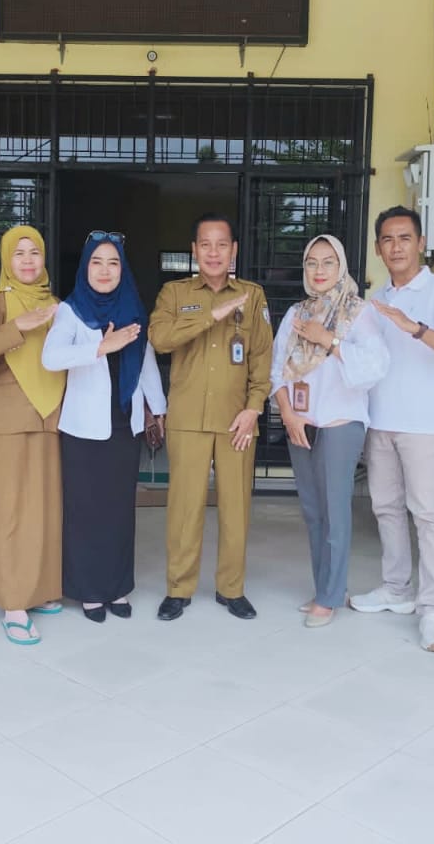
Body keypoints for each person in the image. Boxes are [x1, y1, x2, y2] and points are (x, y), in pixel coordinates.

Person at [350, 206, 434, 653]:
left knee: (428, 514)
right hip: (380, 419)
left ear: (420, 243)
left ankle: (433, 607)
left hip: (422, 423)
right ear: (378, 247)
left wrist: (416, 329)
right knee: (385, 507)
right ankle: (396, 589)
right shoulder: (376, 297)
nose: (396, 246)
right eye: (387, 239)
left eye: (405, 238)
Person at [149, 213, 274, 622]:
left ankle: (231, 589)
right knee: (184, 509)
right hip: (187, 419)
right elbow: (160, 339)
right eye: (206, 244)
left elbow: (262, 357)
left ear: (234, 249)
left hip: (237, 420)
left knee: (236, 509)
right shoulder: (174, 293)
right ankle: (178, 589)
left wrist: (254, 408)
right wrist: (211, 315)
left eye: (222, 244)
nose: (214, 252)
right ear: (194, 250)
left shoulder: (253, 296)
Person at [42, 231, 167, 622]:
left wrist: (158, 409)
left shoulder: (132, 308)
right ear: (86, 267)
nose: (105, 270)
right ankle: (89, 590)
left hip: (124, 425)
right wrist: (100, 347)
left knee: (118, 511)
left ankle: (117, 587)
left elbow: (145, 362)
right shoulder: (71, 310)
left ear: (122, 269)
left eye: (113, 263)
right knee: (85, 511)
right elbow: (51, 357)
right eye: (97, 262)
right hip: (83, 429)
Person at [270, 234, 388, 628]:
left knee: (335, 513)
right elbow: (276, 369)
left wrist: (329, 340)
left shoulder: (358, 312)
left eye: (328, 262)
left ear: (341, 267)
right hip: (300, 423)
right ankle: (324, 588)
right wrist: (288, 413)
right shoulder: (297, 313)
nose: (319, 271)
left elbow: (374, 366)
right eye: (312, 263)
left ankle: (331, 596)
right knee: (313, 512)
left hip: (339, 424)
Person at [0, 226, 65, 644]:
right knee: (9, 512)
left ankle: (39, 588)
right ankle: (13, 602)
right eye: (18, 253)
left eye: (34, 252)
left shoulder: (55, 304)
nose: (27, 260)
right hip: (6, 417)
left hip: (48, 415)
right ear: (6, 259)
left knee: (43, 508)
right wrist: (16, 327)